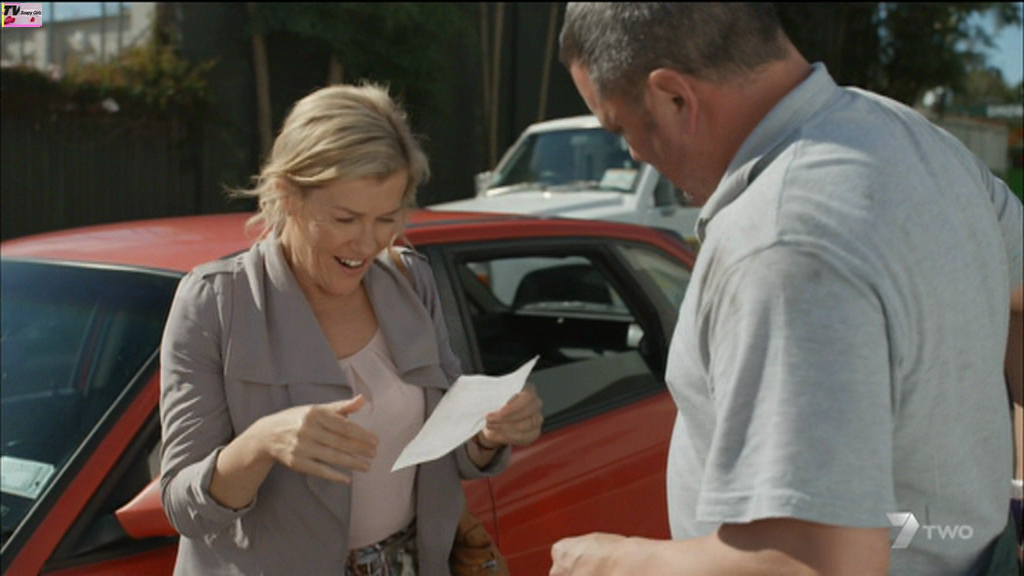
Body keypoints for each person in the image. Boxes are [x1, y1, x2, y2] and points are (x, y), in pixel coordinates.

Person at [551, 3, 1024, 575]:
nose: (632, 153)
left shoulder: (778, 241)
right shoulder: (911, 137)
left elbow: (817, 563)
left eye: (620, 127)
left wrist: (616, 561)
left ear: (675, 98)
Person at [159, 83, 543, 576]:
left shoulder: (410, 281)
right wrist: (262, 443)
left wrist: (489, 432)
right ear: (288, 195)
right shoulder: (215, 303)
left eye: (386, 218)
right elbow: (183, 508)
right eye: (345, 218)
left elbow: (443, 445)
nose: (367, 244)